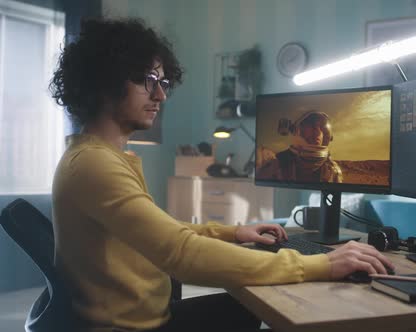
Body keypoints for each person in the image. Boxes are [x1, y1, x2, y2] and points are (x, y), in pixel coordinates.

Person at [49, 18, 394, 332]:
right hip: (137, 327)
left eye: (162, 81)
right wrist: (321, 264)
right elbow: (180, 253)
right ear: (103, 80)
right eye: (146, 80)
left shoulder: (101, 157)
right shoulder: (94, 164)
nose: (161, 94)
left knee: (245, 307)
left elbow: (163, 232)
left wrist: (233, 231)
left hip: (147, 317)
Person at [257, 111, 343, 183]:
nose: (317, 130)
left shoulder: (333, 170)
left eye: (321, 127)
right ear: (295, 130)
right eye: (310, 124)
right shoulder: (275, 164)